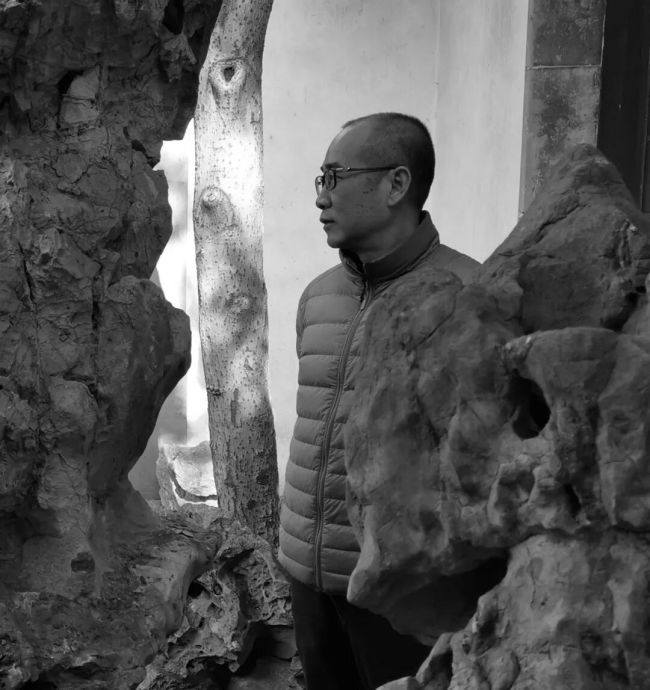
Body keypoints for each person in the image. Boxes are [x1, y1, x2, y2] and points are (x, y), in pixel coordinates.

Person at [278, 112, 479, 689]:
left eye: (334, 177)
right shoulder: (318, 297)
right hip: (309, 575)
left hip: (404, 597)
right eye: (320, 180)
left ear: (396, 184)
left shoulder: (469, 296)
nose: (321, 196)